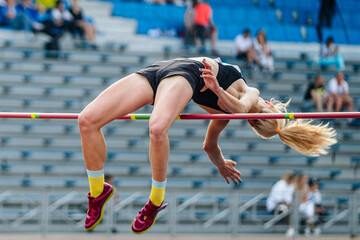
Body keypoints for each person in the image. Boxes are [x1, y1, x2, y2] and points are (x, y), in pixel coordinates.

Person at [78, 57, 337, 234]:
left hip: (184, 76)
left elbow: (224, 127)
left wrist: (221, 161)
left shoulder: (233, 109)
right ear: (269, 107)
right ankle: (98, 192)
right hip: (159, 70)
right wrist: (221, 161)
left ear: (252, 123)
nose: (256, 115)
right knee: (87, 121)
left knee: (157, 129)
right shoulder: (251, 93)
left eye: (256, 121)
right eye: (260, 116)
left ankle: (155, 200)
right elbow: (230, 121)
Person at [266, 171, 296, 237]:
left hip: (285, 205)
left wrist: (288, 203)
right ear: (290, 179)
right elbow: (277, 199)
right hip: (274, 205)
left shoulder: (291, 186)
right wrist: (286, 204)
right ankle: (289, 229)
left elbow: (289, 199)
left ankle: (294, 228)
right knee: (285, 209)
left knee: (291, 209)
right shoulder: (280, 184)